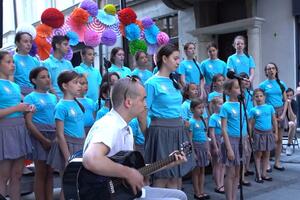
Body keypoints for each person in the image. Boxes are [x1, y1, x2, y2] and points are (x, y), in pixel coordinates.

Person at [82, 78, 188, 200]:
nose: (146, 104)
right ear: (128, 102)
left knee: (180, 195)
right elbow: (91, 159)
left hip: (123, 191)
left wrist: (168, 162)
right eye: (143, 99)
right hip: (106, 194)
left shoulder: (125, 127)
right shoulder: (109, 125)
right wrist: (127, 172)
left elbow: (136, 171)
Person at [144, 44, 194, 189]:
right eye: (176, 58)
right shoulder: (151, 83)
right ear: (164, 59)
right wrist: (149, 133)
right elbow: (144, 110)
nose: (179, 62)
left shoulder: (174, 81)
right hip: (161, 132)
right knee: (162, 176)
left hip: (177, 130)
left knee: (176, 177)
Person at [0, 51, 33, 200]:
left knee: (17, 174)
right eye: (8, 62)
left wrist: (27, 108)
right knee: (3, 175)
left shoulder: (15, 86)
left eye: (13, 61)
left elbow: (20, 105)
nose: (12, 65)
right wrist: (17, 108)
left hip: (19, 128)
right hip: (5, 130)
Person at [46, 71, 85, 199]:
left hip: (80, 145)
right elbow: (60, 135)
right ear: (64, 86)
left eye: (79, 82)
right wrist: (68, 157)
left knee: (79, 182)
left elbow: (81, 128)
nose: (79, 85)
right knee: (67, 183)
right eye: (75, 82)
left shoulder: (76, 103)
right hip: (68, 147)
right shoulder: (61, 106)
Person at [24, 67, 57, 200]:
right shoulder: (30, 97)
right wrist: (43, 140)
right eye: (42, 77)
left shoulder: (54, 97)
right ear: (34, 80)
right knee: (41, 171)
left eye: (47, 76)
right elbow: (29, 122)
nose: (47, 79)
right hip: (39, 135)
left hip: (53, 135)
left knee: (50, 172)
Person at [220, 79, 247, 200]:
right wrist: (229, 149)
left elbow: (244, 123)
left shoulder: (242, 103)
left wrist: (245, 142)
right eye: (236, 88)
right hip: (230, 141)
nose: (239, 90)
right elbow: (224, 129)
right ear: (229, 91)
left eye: (239, 88)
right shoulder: (225, 106)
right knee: (230, 173)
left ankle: (234, 197)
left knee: (237, 173)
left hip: (241, 140)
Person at [259, 62, 288, 171]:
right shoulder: (263, 85)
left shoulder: (281, 84)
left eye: (273, 68)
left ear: (276, 70)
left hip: (280, 111)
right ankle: (266, 163)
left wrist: (284, 113)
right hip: (269, 112)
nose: (271, 70)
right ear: (266, 72)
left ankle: (277, 161)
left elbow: (285, 100)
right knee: (267, 139)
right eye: (268, 69)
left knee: (279, 139)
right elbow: (261, 100)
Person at [249, 88, 277, 183]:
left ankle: (264, 174)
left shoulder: (270, 107)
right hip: (258, 134)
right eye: (257, 96)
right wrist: (250, 136)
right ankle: (258, 175)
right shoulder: (253, 110)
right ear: (254, 98)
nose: (259, 98)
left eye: (261, 96)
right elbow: (251, 124)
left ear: (264, 97)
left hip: (268, 133)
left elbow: (274, 121)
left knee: (267, 154)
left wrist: (275, 133)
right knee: (258, 154)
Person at [189, 98, 210, 200]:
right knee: (196, 171)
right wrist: (193, 152)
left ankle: (202, 191)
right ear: (192, 109)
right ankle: (197, 192)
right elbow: (190, 139)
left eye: (203, 108)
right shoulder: (191, 122)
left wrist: (208, 150)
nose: (201, 110)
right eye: (199, 108)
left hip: (203, 148)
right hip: (196, 148)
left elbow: (206, 136)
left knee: (202, 171)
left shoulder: (203, 121)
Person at [13, 32, 40, 96]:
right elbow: (11, 81)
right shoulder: (13, 60)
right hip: (21, 93)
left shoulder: (35, 60)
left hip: (35, 93)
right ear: (17, 43)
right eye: (25, 41)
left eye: (30, 42)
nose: (29, 44)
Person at [209, 97, 225, 194]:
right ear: (214, 105)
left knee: (223, 164)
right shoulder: (213, 117)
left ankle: (222, 182)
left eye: (222, 103)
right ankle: (218, 184)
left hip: (223, 140)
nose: (221, 105)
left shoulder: (223, 115)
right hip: (217, 141)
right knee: (217, 164)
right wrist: (215, 146)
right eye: (219, 104)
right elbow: (211, 133)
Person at [285, 88, 297, 156]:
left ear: (293, 96)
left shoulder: (294, 103)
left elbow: (292, 118)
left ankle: (288, 146)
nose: (289, 97)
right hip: (281, 123)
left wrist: (289, 105)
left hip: (289, 124)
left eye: (291, 95)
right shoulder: (281, 102)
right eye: (287, 95)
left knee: (292, 124)